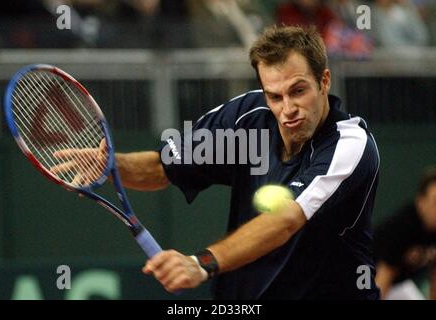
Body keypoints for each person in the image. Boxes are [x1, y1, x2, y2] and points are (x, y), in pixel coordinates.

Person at [56, 26, 381, 299]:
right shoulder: (248, 118)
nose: (287, 109)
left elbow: (284, 221)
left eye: (298, 91)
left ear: (324, 81)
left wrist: (201, 264)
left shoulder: (349, 144)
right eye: (274, 96)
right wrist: (114, 166)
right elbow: (163, 166)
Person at [374, 167, 436, 300]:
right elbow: (383, 276)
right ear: (421, 202)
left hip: (399, 284)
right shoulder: (403, 227)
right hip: (366, 281)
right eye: (435, 202)